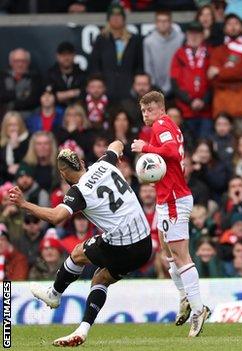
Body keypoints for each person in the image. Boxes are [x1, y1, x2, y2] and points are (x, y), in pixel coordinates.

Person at [9, 142, 152, 346]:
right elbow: (117, 144)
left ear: (63, 174)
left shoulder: (79, 191)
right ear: (82, 162)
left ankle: (54, 294)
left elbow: (56, 217)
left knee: (77, 253)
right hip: (145, 244)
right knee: (100, 279)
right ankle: (83, 330)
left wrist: (24, 204)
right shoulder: (105, 163)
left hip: (123, 244)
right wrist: (117, 152)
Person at [130, 91, 210, 337]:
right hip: (166, 199)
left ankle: (198, 309)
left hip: (175, 198)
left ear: (160, 109)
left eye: (149, 110)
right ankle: (185, 296)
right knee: (168, 252)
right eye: (143, 111)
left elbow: (172, 152)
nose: (146, 114)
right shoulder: (163, 125)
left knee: (181, 255)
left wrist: (146, 148)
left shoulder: (162, 124)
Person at [89, 3, 143, 102]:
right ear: (108, 19)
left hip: (129, 92)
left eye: (119, 16)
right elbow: (95, 66)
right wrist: (100, 87)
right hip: (106, 92)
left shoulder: (134, 39)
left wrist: (136, 86)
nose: (116, 19)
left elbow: (140, 66)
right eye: (113, 16)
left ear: (124, 18)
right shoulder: (101, 39)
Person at [170, 21, 213, 141]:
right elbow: (174, 83)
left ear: (203, 35)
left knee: (205, 144)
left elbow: (214, 82)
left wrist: (204, 101)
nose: (194, 37)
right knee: (186, 145)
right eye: (191, 33)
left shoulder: (210, 52)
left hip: (206, 111)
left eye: (197, 34)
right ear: (187, 35)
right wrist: (190, 101)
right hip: (185, 111)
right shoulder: (179, 54)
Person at [143, 10, 184, 98]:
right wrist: (154, 86)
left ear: (170, 22)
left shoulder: (181, 38)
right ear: (156, 23)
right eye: (160, 21)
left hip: (177, 86)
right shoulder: (148, 41)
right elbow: (148, 67)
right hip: (156, 87)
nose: (162, 24)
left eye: (165, 21)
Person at [45, 41, 86, 107]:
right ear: (57, 56)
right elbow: (48, 97)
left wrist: (62, 95)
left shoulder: (82, 74)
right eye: (63, 55)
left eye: (69, 54)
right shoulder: (50, 74)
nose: (66, 58)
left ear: (74, 55)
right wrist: (74, 93)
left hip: (77, 110)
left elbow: (84, 94)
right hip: (56, 110)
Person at [0, 111, 30, 182]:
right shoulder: (2, 141)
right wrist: (7, 169)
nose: (13, 128)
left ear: (21, 126)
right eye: (10, 125)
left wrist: (15, 148)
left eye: (16, 125)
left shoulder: (28, 140)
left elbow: (28, 163)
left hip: (23, 179)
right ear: (5, 127)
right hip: (4, 180)